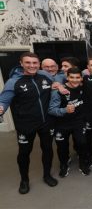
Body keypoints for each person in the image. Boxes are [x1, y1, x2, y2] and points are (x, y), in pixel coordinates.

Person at [0, 52, 58, 194]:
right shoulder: (13, 82)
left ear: (39, 64)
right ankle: (24, 180)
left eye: (34, 63)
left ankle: (47, 175)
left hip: (46, 122)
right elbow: (3, 101)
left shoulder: (46, 76)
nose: (31, 66)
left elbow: (58, 82)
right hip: (25, 125)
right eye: (28, 63)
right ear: (21, 63)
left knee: (48, 149)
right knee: (24, 152)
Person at [48, 68, 91, 177]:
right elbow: (51, 110)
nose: (75, 80)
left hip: (78, 121)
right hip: (62, 123)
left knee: (82, 143)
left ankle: (82, 163)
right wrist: (64, 110)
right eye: (72, 77)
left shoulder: (83, 87)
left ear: (81, 78)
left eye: (77, 77)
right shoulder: (59, 91)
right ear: (67, 77)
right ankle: (63, 164)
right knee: (62, 146)